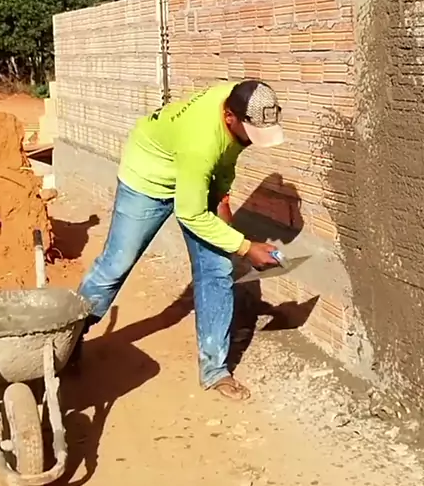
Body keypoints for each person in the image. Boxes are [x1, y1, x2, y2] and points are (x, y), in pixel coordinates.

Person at [77, 80, 284, 400]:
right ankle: (66, 339)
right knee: (116, 263)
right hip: (147, 177)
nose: (253, 141)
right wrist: (245, 247)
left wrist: (223, 201)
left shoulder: (243, 100)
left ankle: (215, 370)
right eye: (251, 133)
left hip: (192, 175)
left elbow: (227, 156)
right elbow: (191, 214)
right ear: (230, 117)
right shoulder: (200, 142)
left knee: (217, 269)